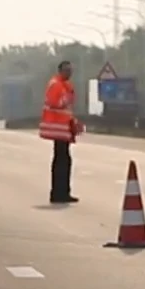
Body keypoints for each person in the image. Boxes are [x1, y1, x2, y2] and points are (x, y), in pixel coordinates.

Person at [40, 60, 83, 203]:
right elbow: (54, 103)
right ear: (60, 71)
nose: (70, 73)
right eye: (67, 70)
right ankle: (58, 193)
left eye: (71, 70)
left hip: (64, 129)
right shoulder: (55, 84)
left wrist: (73, 122)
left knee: (65, 160)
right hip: (56, 129)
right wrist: (67, 98)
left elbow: (68, 109)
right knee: (61, 161)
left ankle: (64, 192)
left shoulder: (66, 85)